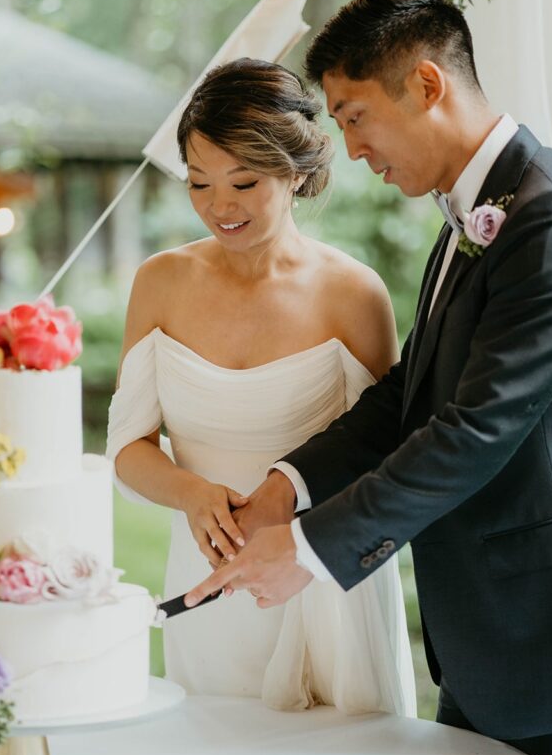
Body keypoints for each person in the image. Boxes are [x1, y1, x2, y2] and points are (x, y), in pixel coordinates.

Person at [185, 0, 552, 755]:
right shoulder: (469, 214)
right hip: (489, 635)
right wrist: (284, 485)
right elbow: (415, 396)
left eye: (354, 115)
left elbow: (476, 429)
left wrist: (306, 550)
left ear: (424, 83)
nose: (349, 147)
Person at [106, 58, 416, 715]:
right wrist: (190, 494)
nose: (220, 206)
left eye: (243, 182)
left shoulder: (352, 293)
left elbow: (390, 447)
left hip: (324, 581)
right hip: (206, 573)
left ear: (296, 171)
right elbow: (128, 449)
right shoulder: (159, 283)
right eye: (198, 183)